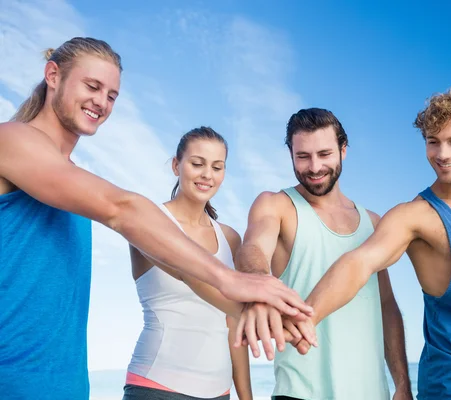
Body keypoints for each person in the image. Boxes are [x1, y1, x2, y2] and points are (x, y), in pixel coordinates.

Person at [0, 37, 310, 400]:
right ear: (53, 75)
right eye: (92, 86)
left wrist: (267, 316)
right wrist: (229, 278)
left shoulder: (67, 180)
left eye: (112, 95)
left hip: (64, 386)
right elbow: (122, 209)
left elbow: (188, 276)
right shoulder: (11, 140)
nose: (101, 102)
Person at [248, 89, 451, 398]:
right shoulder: (412, 217)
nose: (442, 154)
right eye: (433, 142)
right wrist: (301, 320)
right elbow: (358, 263)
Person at [234, 108, 412, 400]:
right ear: (290, 154)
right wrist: (258, 287)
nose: (314, 167)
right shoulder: (276, 205)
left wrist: (402, 384)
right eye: (302, 156)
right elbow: (252, 248)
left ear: (343, 150)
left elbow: (387, 306)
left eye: (325, 154)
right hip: (300, 392)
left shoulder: (374, 223)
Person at [123, 127, 252, 400]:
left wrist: (246, 397)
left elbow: (234, 324)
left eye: (217, 167)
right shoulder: (149, 219)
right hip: (157, 387)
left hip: (219, 392)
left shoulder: (230, 238)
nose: (207, 174)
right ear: (175, 165)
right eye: (197, 164)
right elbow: (190, 275)